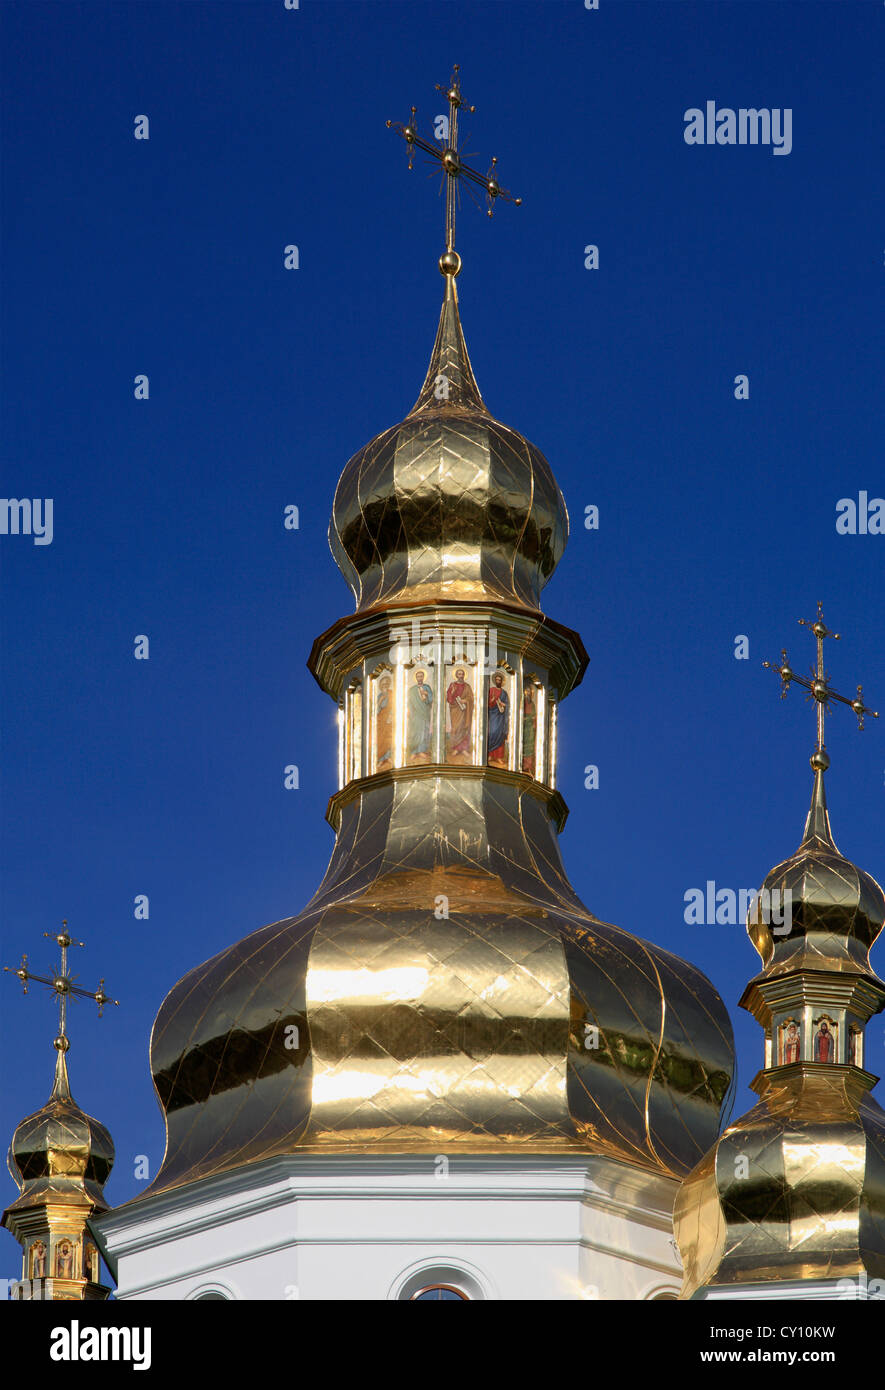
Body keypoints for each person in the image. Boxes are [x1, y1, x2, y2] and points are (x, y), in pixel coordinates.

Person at [446, 668, 473, 762]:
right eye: (459, 674)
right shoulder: (452, 685)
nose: (461, 676)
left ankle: (464, 749)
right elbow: (448, 698)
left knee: (464, 728)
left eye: (462, 674)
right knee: (456, 728)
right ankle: (456, 749)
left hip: (465, 711)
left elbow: (471, 698)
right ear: (456, 675)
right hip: (455, 710)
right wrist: (452, 692)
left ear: (464, 675)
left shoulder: (467, 686)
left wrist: (465, 701)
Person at [407, 670, 433, 764]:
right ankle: (414, 751)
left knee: (424, 731)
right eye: (418, 676)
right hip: (415, 714)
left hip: (425, 713)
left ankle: (421, 750)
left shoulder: (427, 687)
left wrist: (427, 694)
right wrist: (410, 713)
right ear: (416, 678)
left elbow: (431, 699)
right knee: (415, 732)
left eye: (421, 676)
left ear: (423, 677)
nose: (420, 678)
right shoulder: (412, 690)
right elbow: (409, 702)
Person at [487, 672, 509, 766]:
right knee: (491, 733)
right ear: (495, 681)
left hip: (501, 717)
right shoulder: (491, 690)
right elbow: (487, 703)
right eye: (496, 680)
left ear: (501, 682)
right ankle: (490, 755)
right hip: (492, 716)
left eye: (499, 680)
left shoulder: (504, 693)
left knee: (500, 735)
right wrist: (491, 701)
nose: (498, 681)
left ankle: (499, 757)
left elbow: (508, 705)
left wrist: (505, 705)